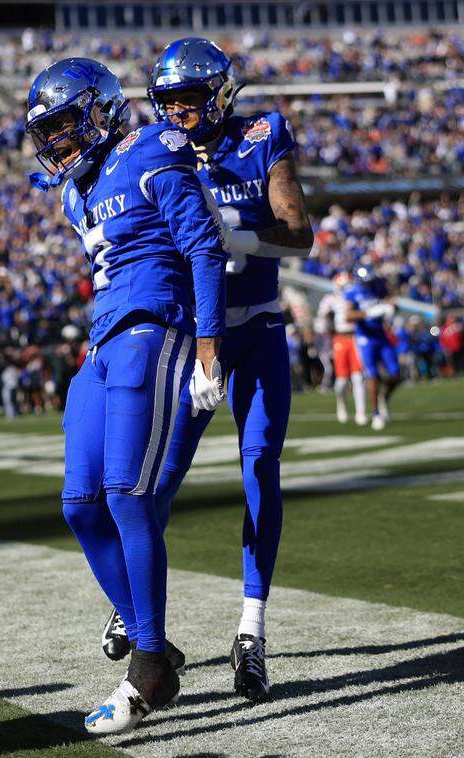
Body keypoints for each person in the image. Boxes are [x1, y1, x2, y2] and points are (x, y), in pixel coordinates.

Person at [24, 56, 227, 733]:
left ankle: (145, 668)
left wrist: (207, 347)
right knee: (80, 504)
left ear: (99, 109)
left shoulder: (151, 147)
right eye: (44, 132)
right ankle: (155, 645)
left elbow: (201, 247)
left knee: (126, 494)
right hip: (102, 342)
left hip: (153, 327)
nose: (53, 142)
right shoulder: (73, 191)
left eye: (61, 125)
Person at [139, 37, 313, 703]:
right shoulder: (154, 151)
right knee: (157, 478)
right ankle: (137, 607)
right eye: (171, 102)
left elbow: (299, 230)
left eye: (192, 99)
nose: (181, 113)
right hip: (192, 337)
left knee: (260, 463)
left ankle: (251, 630)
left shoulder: (262, 135)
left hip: (261, 327)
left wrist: (235, 236)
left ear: (220, 94)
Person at [345, 267, 399, 429]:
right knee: (372, 376)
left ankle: (384, 397)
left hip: (381, 336)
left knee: (396, 374)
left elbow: (391, 300)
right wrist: (368, 313)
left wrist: (390, 307)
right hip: (365, 339)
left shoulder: (378, 286)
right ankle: (376, 414)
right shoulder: (353, 292)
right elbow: (348, 315)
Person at [318, 272, 367, 424]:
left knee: (358, 377)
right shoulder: (330, 299)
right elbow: (322, 319)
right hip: (339, 338)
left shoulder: (356, 297)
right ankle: (342, 403)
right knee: (342, 381)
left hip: (355, 337)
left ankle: (361, 412)